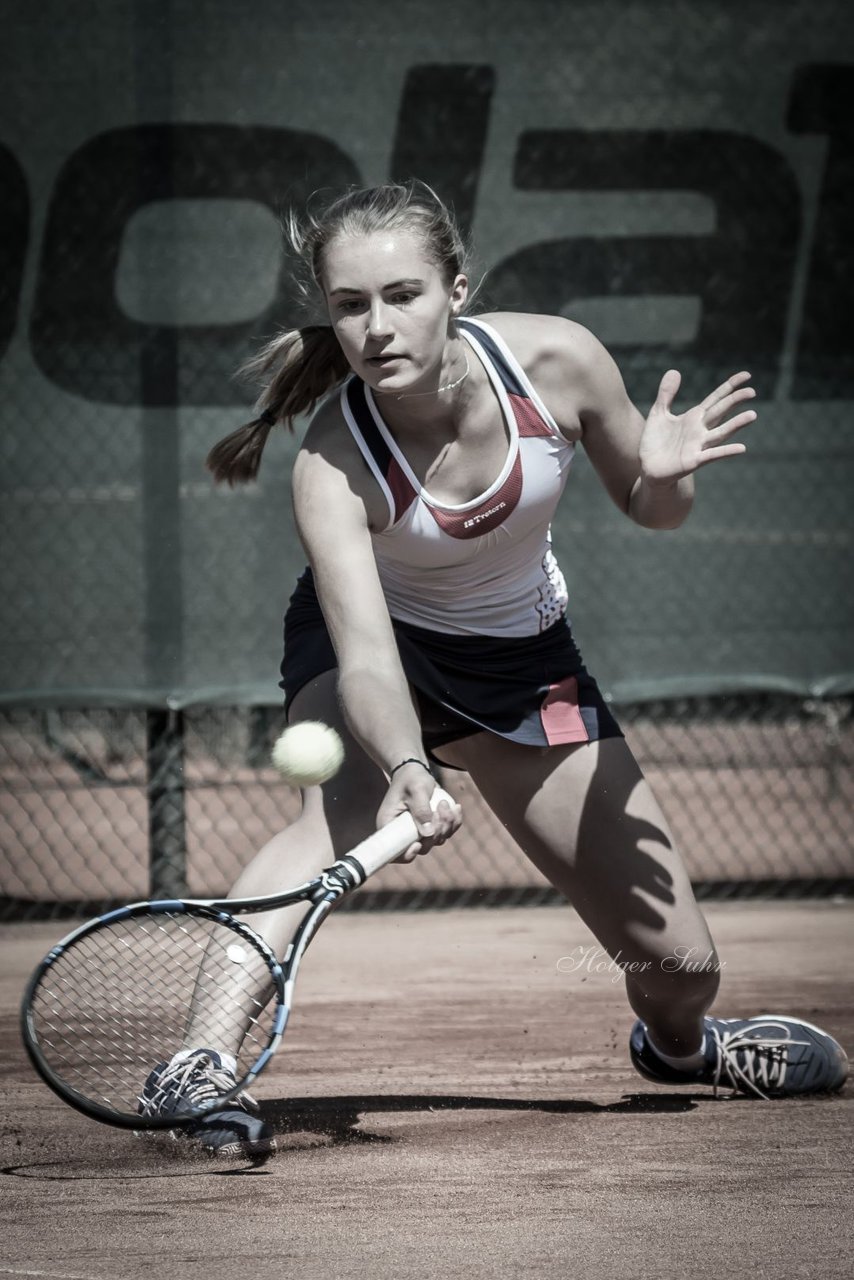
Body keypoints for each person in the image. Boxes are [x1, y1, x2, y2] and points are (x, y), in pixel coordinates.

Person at [144, 181, 847, 1157]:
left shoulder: (555, 361)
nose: (378, 327)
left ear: (456, 289)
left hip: (524, 665)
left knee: (681, 965)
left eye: (403, 295)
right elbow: (367, 661)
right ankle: (197, 1063)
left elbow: (648, 505)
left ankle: (684, 1049)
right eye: (350, 306)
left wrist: (666, 474)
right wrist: (404, 768)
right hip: (379, 648)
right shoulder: (333, 462)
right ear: (330, 317)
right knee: (328, 817)